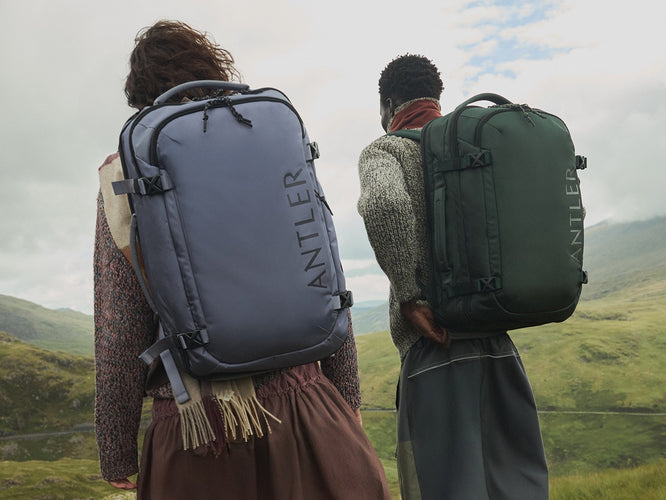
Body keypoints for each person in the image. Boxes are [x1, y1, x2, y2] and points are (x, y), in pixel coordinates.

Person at [94, 20, 390, 499]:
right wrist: (346, 396)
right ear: (213, 72)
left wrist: (116, 449)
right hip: (307, 405)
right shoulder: (273, 146)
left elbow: (119, 326)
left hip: (198, 430)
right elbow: (323, 271)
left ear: (143, 98)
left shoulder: (123, 174)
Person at [357, 54, 549, 500]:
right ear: (436, 98)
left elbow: (383, 204)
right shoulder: (480, 148)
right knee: (517, 485)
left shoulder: (386, 150)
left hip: (435, 349)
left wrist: (409, 296)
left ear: (389, 104)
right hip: (499, 345)